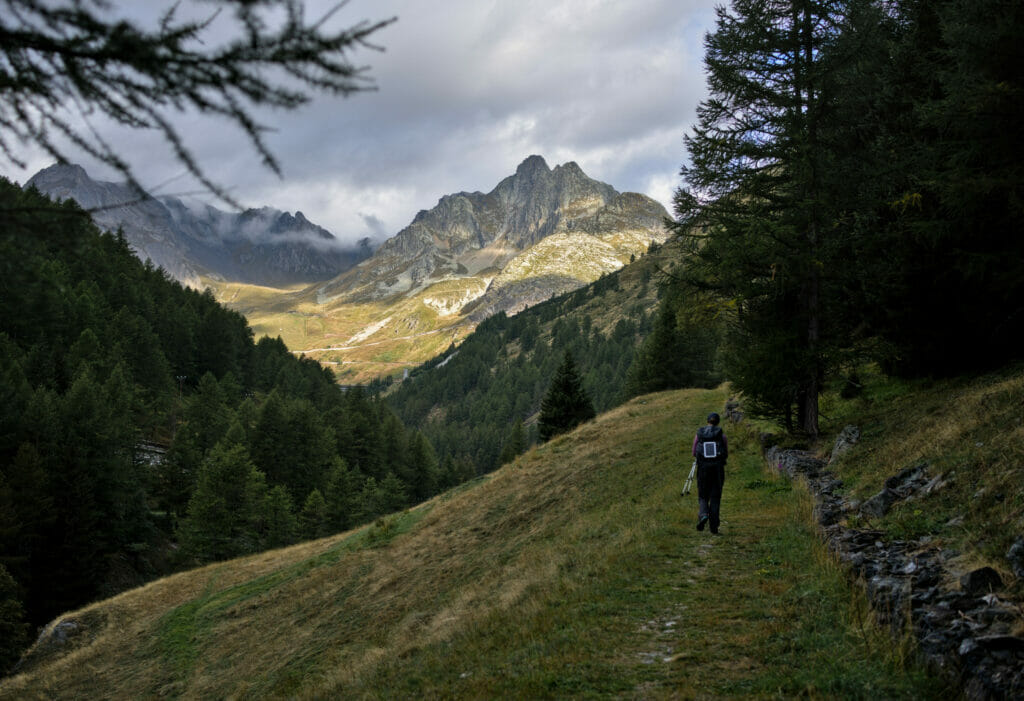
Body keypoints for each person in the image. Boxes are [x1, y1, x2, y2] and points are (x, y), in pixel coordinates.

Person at [692, 412, 728, 534]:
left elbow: (693, 452)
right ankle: (714, 526)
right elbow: (725, 453)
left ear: (707, 421)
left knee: (703, 495)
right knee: (715, 497)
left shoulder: (699, 435)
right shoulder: (721, 436)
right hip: (717, 470)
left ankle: (703, 514)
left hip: (703, 469)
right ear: (718, 422)